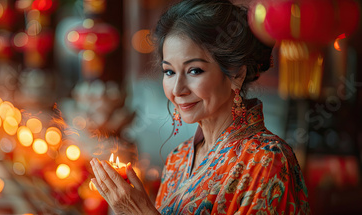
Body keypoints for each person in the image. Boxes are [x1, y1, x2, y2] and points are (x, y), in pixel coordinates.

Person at [89, 0, 310, 214]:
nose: (177, 89)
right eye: (169, 72)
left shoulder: (267, 159)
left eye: (194, 70)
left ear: (236, 74)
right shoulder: (178, 158)